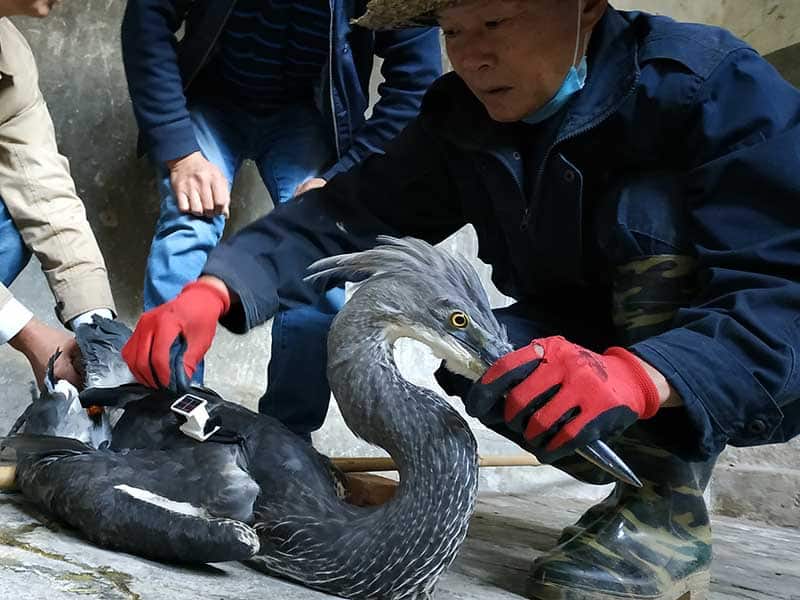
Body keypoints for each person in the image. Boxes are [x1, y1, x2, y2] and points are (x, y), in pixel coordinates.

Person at [121, 1, 800, 598]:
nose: (473, 56)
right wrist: (216, 288)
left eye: (497, 21)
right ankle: (639, 466)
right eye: (453, 29)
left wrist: (640, 377)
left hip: (711, 359)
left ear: (586, 7)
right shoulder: (461, 120)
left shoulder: (714, 89)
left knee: (647, 216)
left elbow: (782, 298)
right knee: (480, 358)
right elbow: (347, 213)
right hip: (580, 343)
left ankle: (664, 508)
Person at [120, 0, 442, 438]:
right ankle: (168, 419)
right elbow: (147, 18)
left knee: (321, 261)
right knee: (188, 222)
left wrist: (344, 177)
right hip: (211, 100)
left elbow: (415, 83)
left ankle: (286, 441)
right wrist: (179, 149)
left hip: (306, 116)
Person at [0, 0, 115, 388]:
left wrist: (96, 326)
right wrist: (31, 337)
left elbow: (42, 184)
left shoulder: (9, 57)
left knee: (13, 223)